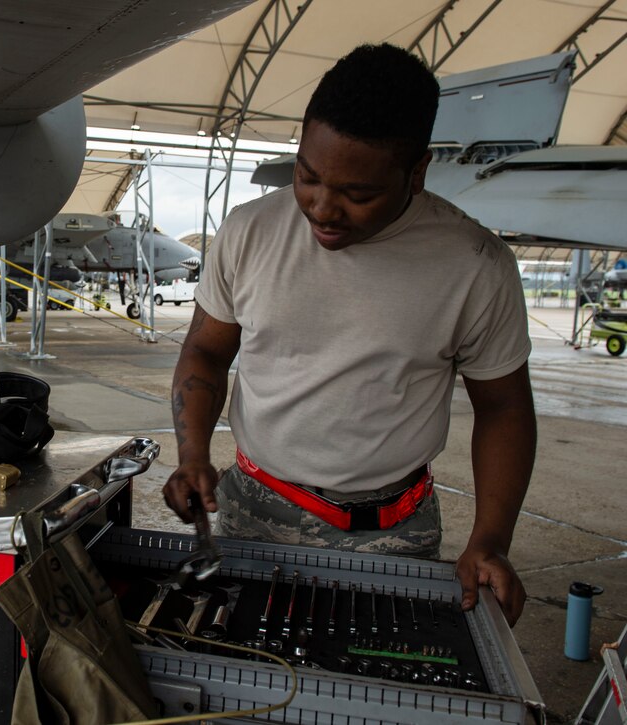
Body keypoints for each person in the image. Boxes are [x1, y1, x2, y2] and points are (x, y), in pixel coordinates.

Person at [162, 43, 536, 626]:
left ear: (416, 173)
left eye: (358, 195)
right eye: (306, 177)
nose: (322, 209)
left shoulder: (474, 264)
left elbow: (505, 407)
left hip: (393, 532)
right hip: (251, 512)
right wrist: (192, 455)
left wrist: (490, 539)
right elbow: (206, 352)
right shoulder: (249, 233)